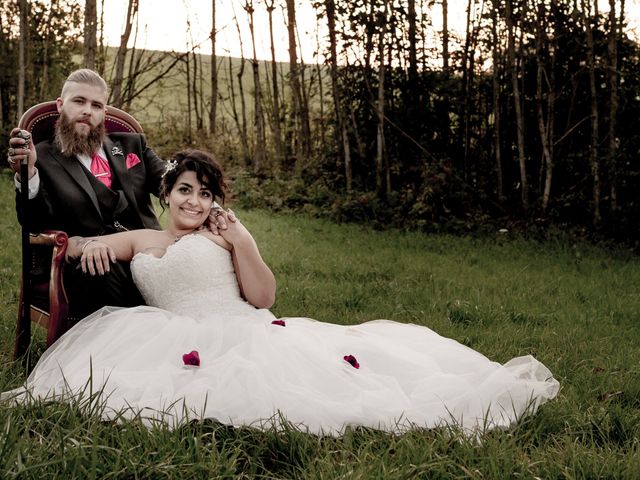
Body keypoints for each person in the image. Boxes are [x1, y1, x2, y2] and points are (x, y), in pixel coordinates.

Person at [3, 150, 560, 436]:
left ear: (215, 200)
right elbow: (75, 246)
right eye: (183, 191)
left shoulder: (224, 233)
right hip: (164, 330)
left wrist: (244, 240)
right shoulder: (143, 238)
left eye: (204, 193)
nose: (193, 202)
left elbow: (264, 297)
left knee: (294, 391)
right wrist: (85, 246)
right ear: (166, 194)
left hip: (239, 327)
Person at [6, 68, 229, 317]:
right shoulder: (42, 157)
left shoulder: (133, 144)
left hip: (148, 251)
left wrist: (212, 210)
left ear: (105, 113)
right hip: (89, 257)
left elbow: (175, 182)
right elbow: (35, 224)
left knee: (201, 256)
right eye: (79, 101)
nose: (87, 111)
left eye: (96, 105)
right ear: (61, 105)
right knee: (100, 266)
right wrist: (26, 174)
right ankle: (134, 341)